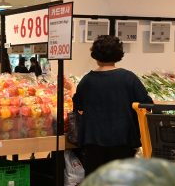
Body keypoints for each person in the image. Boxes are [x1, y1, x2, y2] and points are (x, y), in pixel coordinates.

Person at [63, 35, 152, 177]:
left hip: (94, 141)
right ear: (118, 54)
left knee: (96, 183)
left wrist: (72, 87)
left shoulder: (87, 80)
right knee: (121, 182)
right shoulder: (129, 78)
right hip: (123, 140)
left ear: (95, 55)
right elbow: (146, 104)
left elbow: (78, 105)